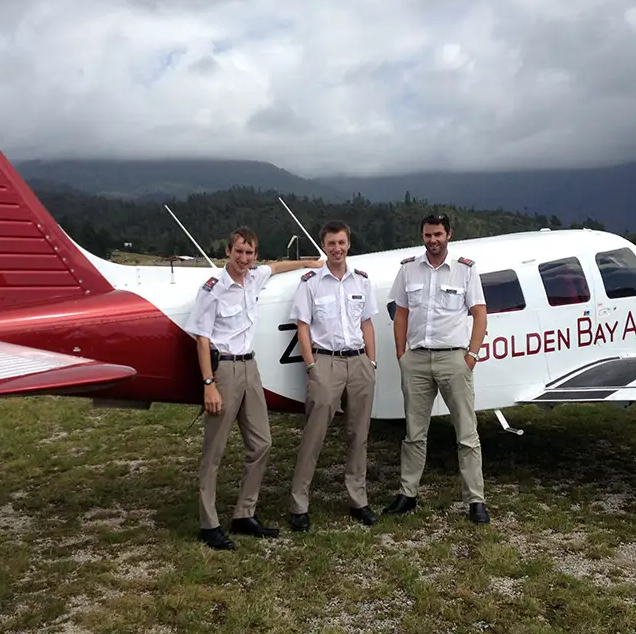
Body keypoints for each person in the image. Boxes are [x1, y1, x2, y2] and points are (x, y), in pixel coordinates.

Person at [184, 226, 323, 550]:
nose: (243, 259)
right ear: (228, 253)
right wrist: (209, 385)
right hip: (225, 369)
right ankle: (209, 524)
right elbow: (202, 339)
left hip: (250, 366)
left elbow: (275, 268)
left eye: (249, 253)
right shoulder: (213, 288)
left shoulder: (255, 276)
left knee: (262, 442)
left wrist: (308, 263)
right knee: (214, 452)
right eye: (238, 252)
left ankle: (244, 514)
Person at [383, 213, 490, 525]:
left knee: (466, 433)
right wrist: (402, 354)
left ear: (449, 235)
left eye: (438, 235)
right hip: (416, 360)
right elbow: (400, 313)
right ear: (423, 236)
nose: (433, 240)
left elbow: (480, 314)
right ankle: (408, 493)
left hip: (453, 360)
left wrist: (470, 355)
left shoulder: (466, 270)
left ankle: (475, 500)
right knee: (414, 433)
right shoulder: (408, 270)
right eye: (428, 235)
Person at [287, 220, 379, 532]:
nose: (337, 249)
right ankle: (299, 504)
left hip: (358, 362)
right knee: (314, 436)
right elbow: (303, 326)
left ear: (348, 244)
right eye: (331, 244)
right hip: (325, 362)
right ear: (323, 247)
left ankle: (358, 500)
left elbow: (367, 323)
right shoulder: (310, 282)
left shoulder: (362, 281)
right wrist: (311, 367)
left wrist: (372, 361)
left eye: (341, 243)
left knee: (359, 436)